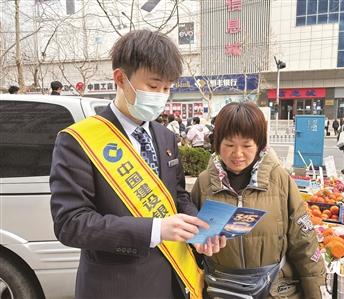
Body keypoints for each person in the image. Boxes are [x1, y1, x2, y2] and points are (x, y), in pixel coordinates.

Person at [50, 30, 225, 299]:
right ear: (121, 79)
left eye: (167, 88)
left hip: (171, 281)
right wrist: (154, 229)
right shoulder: (78, 140)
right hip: (116, 286)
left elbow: (177, 195)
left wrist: (199, 231)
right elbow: (71, 224)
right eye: (153, 87)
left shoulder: (166, 136)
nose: (161, 96)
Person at [191, 102, 325, 299]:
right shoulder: (204, 183)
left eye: (247, 145)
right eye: (229, 145)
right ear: (218, 143)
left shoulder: (280, 179)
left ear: (260, 144)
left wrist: (317, 294)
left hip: (275, 292)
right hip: (220, 291)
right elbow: (190, 244)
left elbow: (304, 243)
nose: (237, 154)